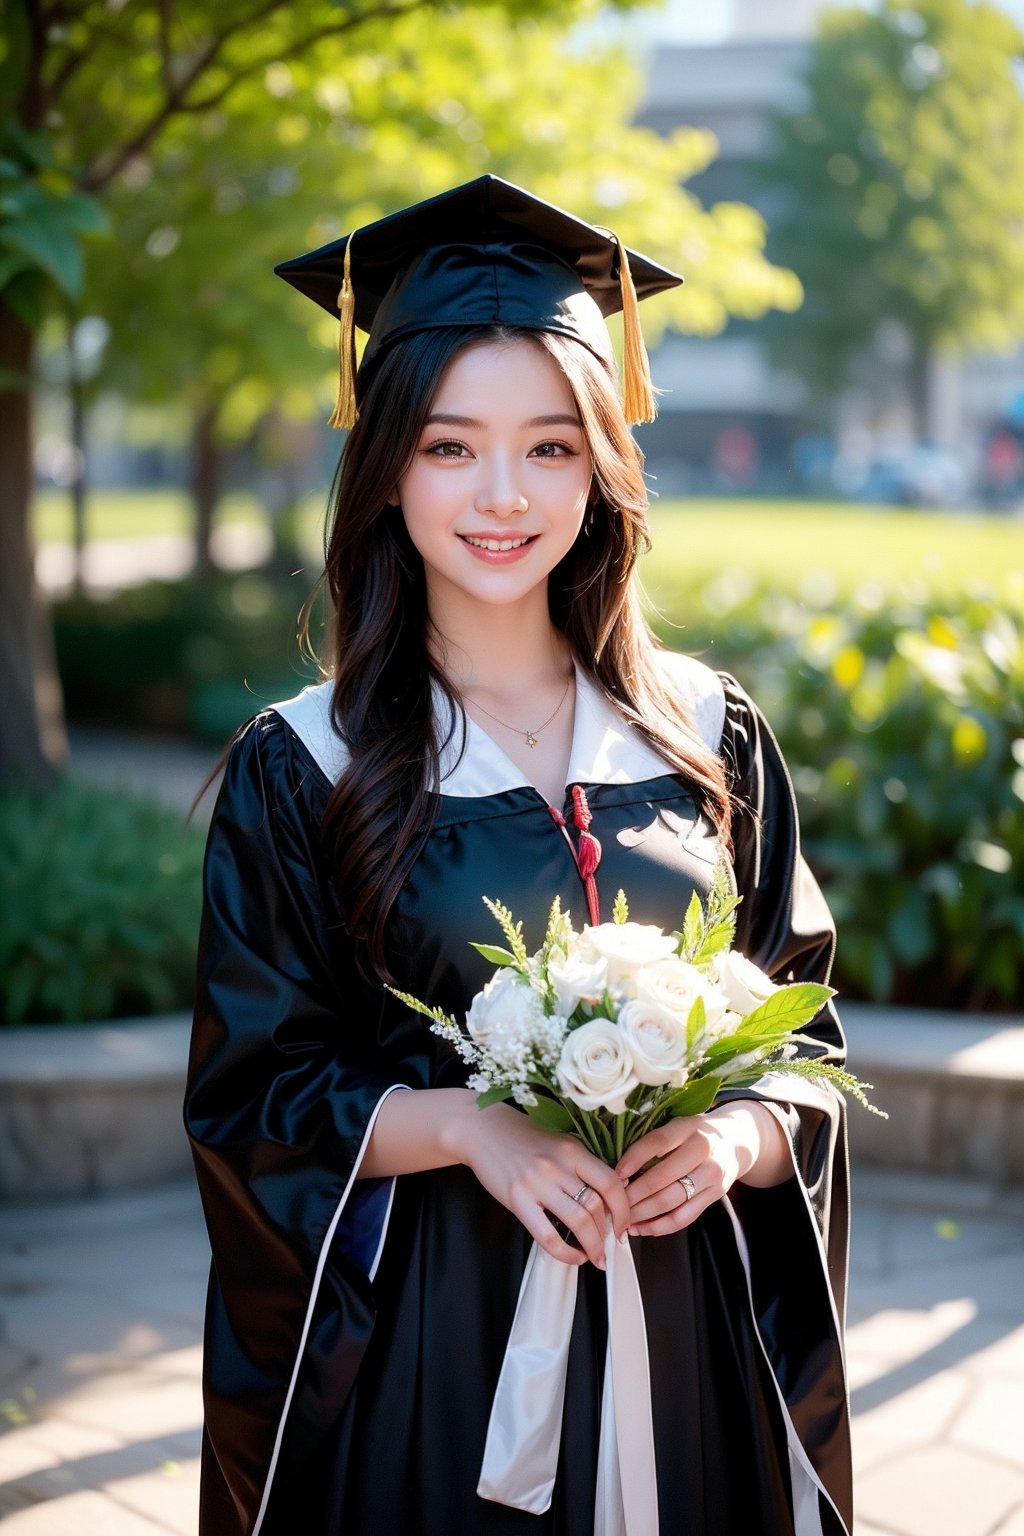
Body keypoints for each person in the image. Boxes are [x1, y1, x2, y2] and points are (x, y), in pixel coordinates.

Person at [185, 175, 853, 1536]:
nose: (503, 496)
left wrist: (735, 1135)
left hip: (689, 1328)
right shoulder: (304, 768)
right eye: (448, 447)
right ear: (384, 468)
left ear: (605, 464)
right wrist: (471, 1130)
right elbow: (257, 1098)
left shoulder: (705, 736)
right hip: (435, 1350)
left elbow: (809, 1042)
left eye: (550, 447)